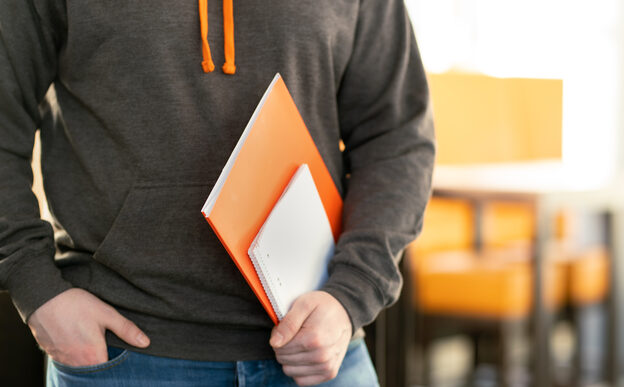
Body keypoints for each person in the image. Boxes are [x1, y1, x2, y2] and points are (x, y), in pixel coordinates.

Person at [0, 0, 435, 385]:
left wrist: (352, 293)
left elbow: (396, 138)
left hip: (321, 346)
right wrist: (36, 289)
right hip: (122, 354)